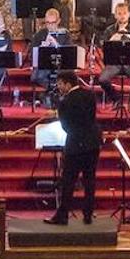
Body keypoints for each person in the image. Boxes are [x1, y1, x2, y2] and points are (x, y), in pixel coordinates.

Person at [45, 71, 101, 225]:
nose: (59, 87)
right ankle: (88, 214)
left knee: (68, 181)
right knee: (90, 181)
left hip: (75, 145)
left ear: (68, 84)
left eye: (60, 84)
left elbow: (66, 126)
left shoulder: (65, 101)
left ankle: (62, 215)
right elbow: (92, 116)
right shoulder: (90, 95)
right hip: (93, 143)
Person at [98, 2, 130, 108]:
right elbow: (102, 46)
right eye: (119, 13)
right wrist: (112, 39)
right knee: (102, 79)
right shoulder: (109, 30)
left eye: (124, 13)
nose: (122, 16)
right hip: (114, 63)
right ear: (115, 15)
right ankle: (116, 99)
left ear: (129, 14)